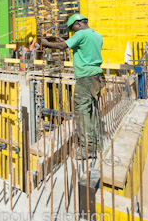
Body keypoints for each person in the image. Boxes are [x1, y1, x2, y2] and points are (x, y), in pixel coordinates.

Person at [40, 14, 104, 159]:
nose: (73, 32)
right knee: (92, 111)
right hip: (97, 76)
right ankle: (96, 145)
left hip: (85, 78)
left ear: (78, 24)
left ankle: (87, 149)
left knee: (82, 112)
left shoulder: (80, 34)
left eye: (73, 28)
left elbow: (63, 47)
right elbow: (83, 50)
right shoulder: (97, 35)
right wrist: (66, 41)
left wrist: (46, 43)